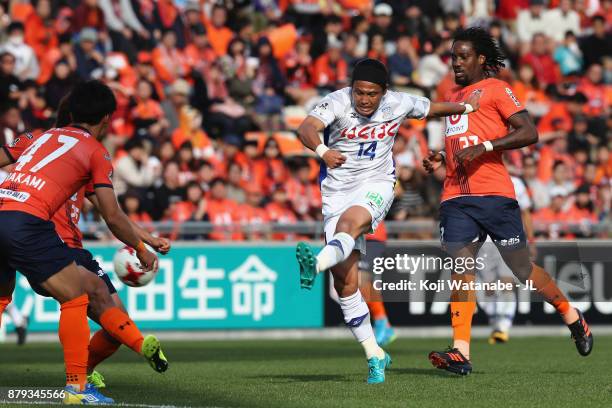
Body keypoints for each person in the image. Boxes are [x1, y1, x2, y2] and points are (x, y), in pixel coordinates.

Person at [295, 58, 481, 384]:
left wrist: (466, 108)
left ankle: (317, 263)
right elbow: (305, 128)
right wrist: (323, 151)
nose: (363, 99)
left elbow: (433, 108)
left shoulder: (399, 102)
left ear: (384, 93)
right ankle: (375, 355)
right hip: (336, 193)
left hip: (378, 185)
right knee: (346, 286)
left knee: (348, 227)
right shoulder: (337, 101)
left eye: (371, 94)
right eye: (359, 92)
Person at [422, 28, 593, 376]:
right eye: (453, 56)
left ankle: (571, 316)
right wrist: (443, 155)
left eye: (463, 56)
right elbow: (465, 140)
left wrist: (485, 148)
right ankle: (461, 352)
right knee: (461, 269)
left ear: (480, 59)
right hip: (455, 197)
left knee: (522, 270)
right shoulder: (453, 97)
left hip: (495, 196)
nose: (455, 62)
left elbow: (529, 132)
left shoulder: (497, 89)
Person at [0, 80, 157, 404]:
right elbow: (112, 216)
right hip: (28, 222)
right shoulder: (94, 150)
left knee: (1, 300)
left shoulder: (40, 136)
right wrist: (141, 248)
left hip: (3, 207)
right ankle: (77, 388)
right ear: (105, 119)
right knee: (76, 296)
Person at [476, 175, 535, 344]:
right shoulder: (477, 179)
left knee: (507, 282)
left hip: (509, 239)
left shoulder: (515, 182)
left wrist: (530, 240)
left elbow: (525, 212)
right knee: (488, 286)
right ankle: (495, 321)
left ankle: (504, 325)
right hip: (485, 241)